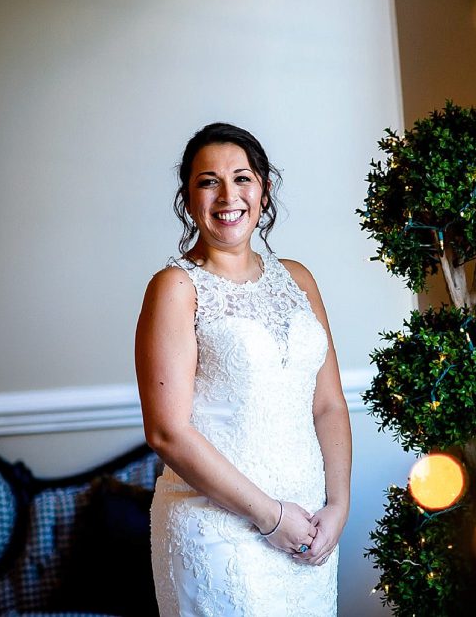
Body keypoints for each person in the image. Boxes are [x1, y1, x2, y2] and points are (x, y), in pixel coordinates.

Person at [135, 122, 351, 616]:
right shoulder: (175, 287)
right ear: (189, 199)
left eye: (242, 178)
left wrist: (337, 505)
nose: (227, 195)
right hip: (217, 535)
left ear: (264, 189)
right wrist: (272, 519)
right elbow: (167, 432)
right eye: (208, 181)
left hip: (310, 528)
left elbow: (329, 404)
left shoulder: (299, 279)